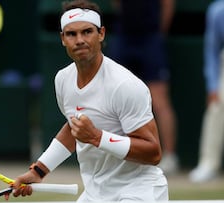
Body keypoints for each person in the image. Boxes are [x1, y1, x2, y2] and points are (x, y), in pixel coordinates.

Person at [12, 0, 168, 201]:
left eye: (87, 32)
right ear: (63, 39)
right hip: (96, 192)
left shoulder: (124, 85)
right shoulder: (62, 79)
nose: (79, 40)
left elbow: (153, 153)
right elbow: (73, 128)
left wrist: (96, 137)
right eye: (71, 34)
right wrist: (39, 171)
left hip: (138, 190)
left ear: (101, 34)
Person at [106, 0, 179, 174]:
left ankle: (169, 156)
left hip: (151, 39)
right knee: (113, 96)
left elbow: (168, 5)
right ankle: (114, 154)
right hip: (124, 36)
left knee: (160, 100)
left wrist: (158, 34)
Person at [189, 0, 224, 183]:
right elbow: (212, 50)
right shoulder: (218, 10)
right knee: (216, 108)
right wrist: (213, 86)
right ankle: (209, 164)